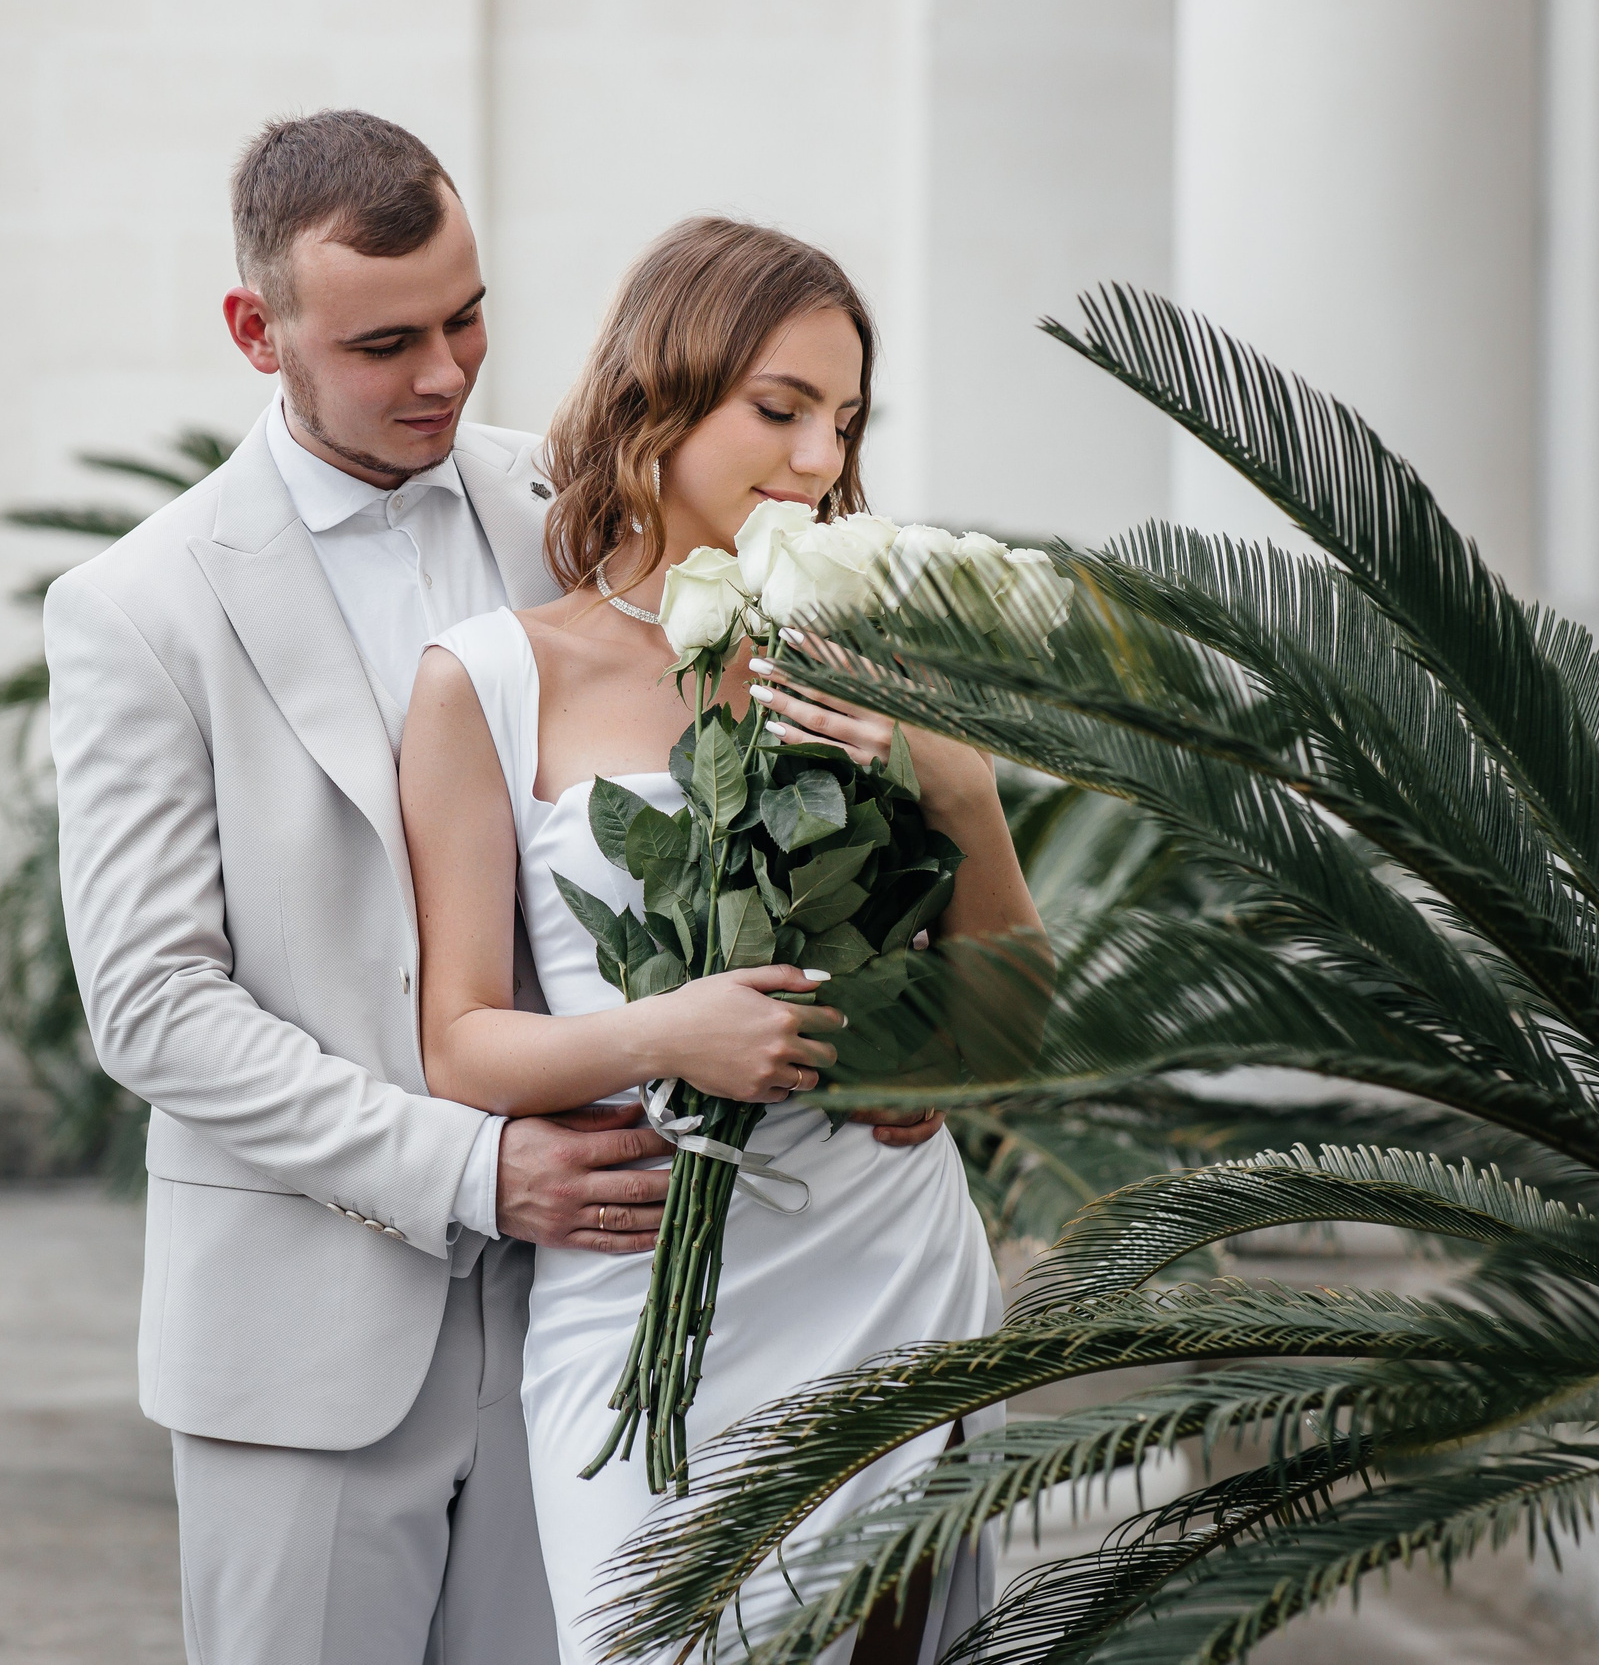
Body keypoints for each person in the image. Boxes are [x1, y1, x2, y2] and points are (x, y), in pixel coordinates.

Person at [47, 114, 945, 1664]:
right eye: (387, 341)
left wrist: (895, 1016)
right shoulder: (140, 608)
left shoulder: (586, 500)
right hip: (311, 1332)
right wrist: (473, 1169)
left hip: (613, 1315)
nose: (448, 374)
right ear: (257, 332)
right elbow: (154, 1008)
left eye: (470, 317)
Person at [398, 217, 1037, 1664]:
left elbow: (1008, 1036)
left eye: (846, 420)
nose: (820, 460)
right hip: (641, 1298)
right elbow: (458, 1042)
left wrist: (956, 776)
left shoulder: (880, 658)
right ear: (660, 395)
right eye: (781, 409)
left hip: (888, 1268)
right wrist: (663, 1036)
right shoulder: (490, 680)